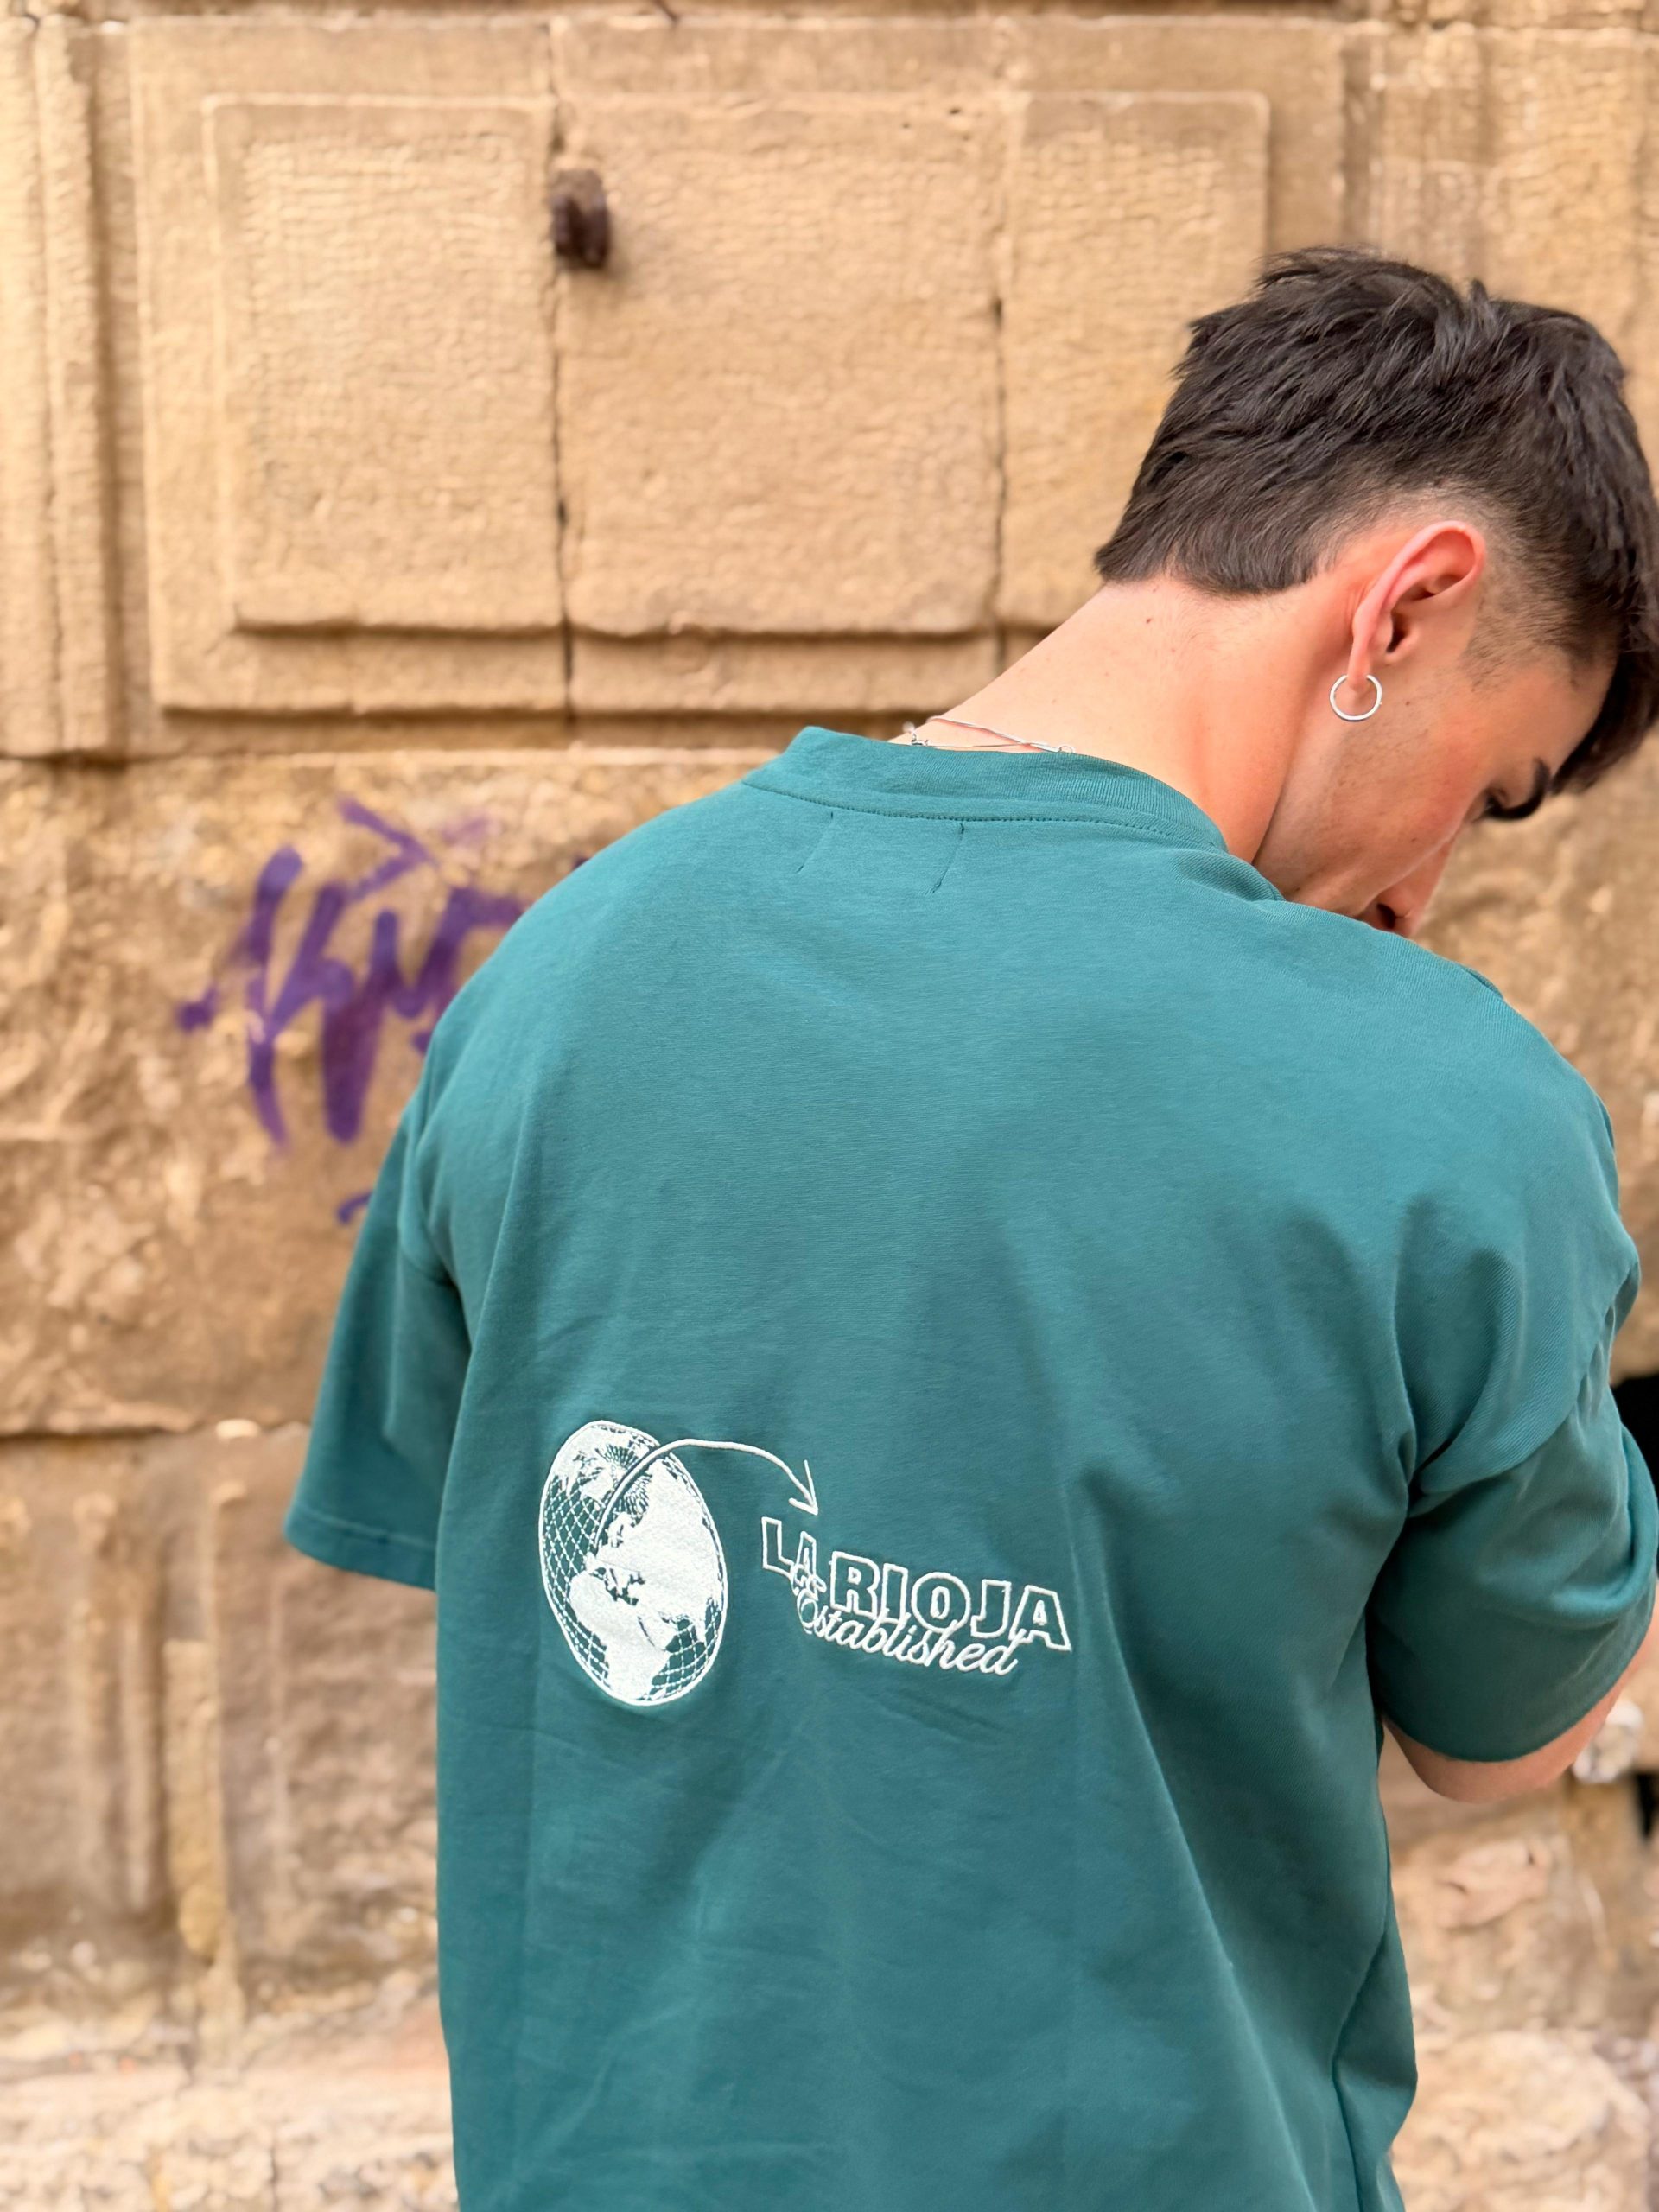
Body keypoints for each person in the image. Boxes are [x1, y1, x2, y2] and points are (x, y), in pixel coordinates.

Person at [283, 246, 1659, 2210]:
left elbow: (516, 1552)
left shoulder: (562, 974)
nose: (1427, 885)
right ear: (1408, 604)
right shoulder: (1452, 1107)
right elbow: (1504, 1735)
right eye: (1491, 788)